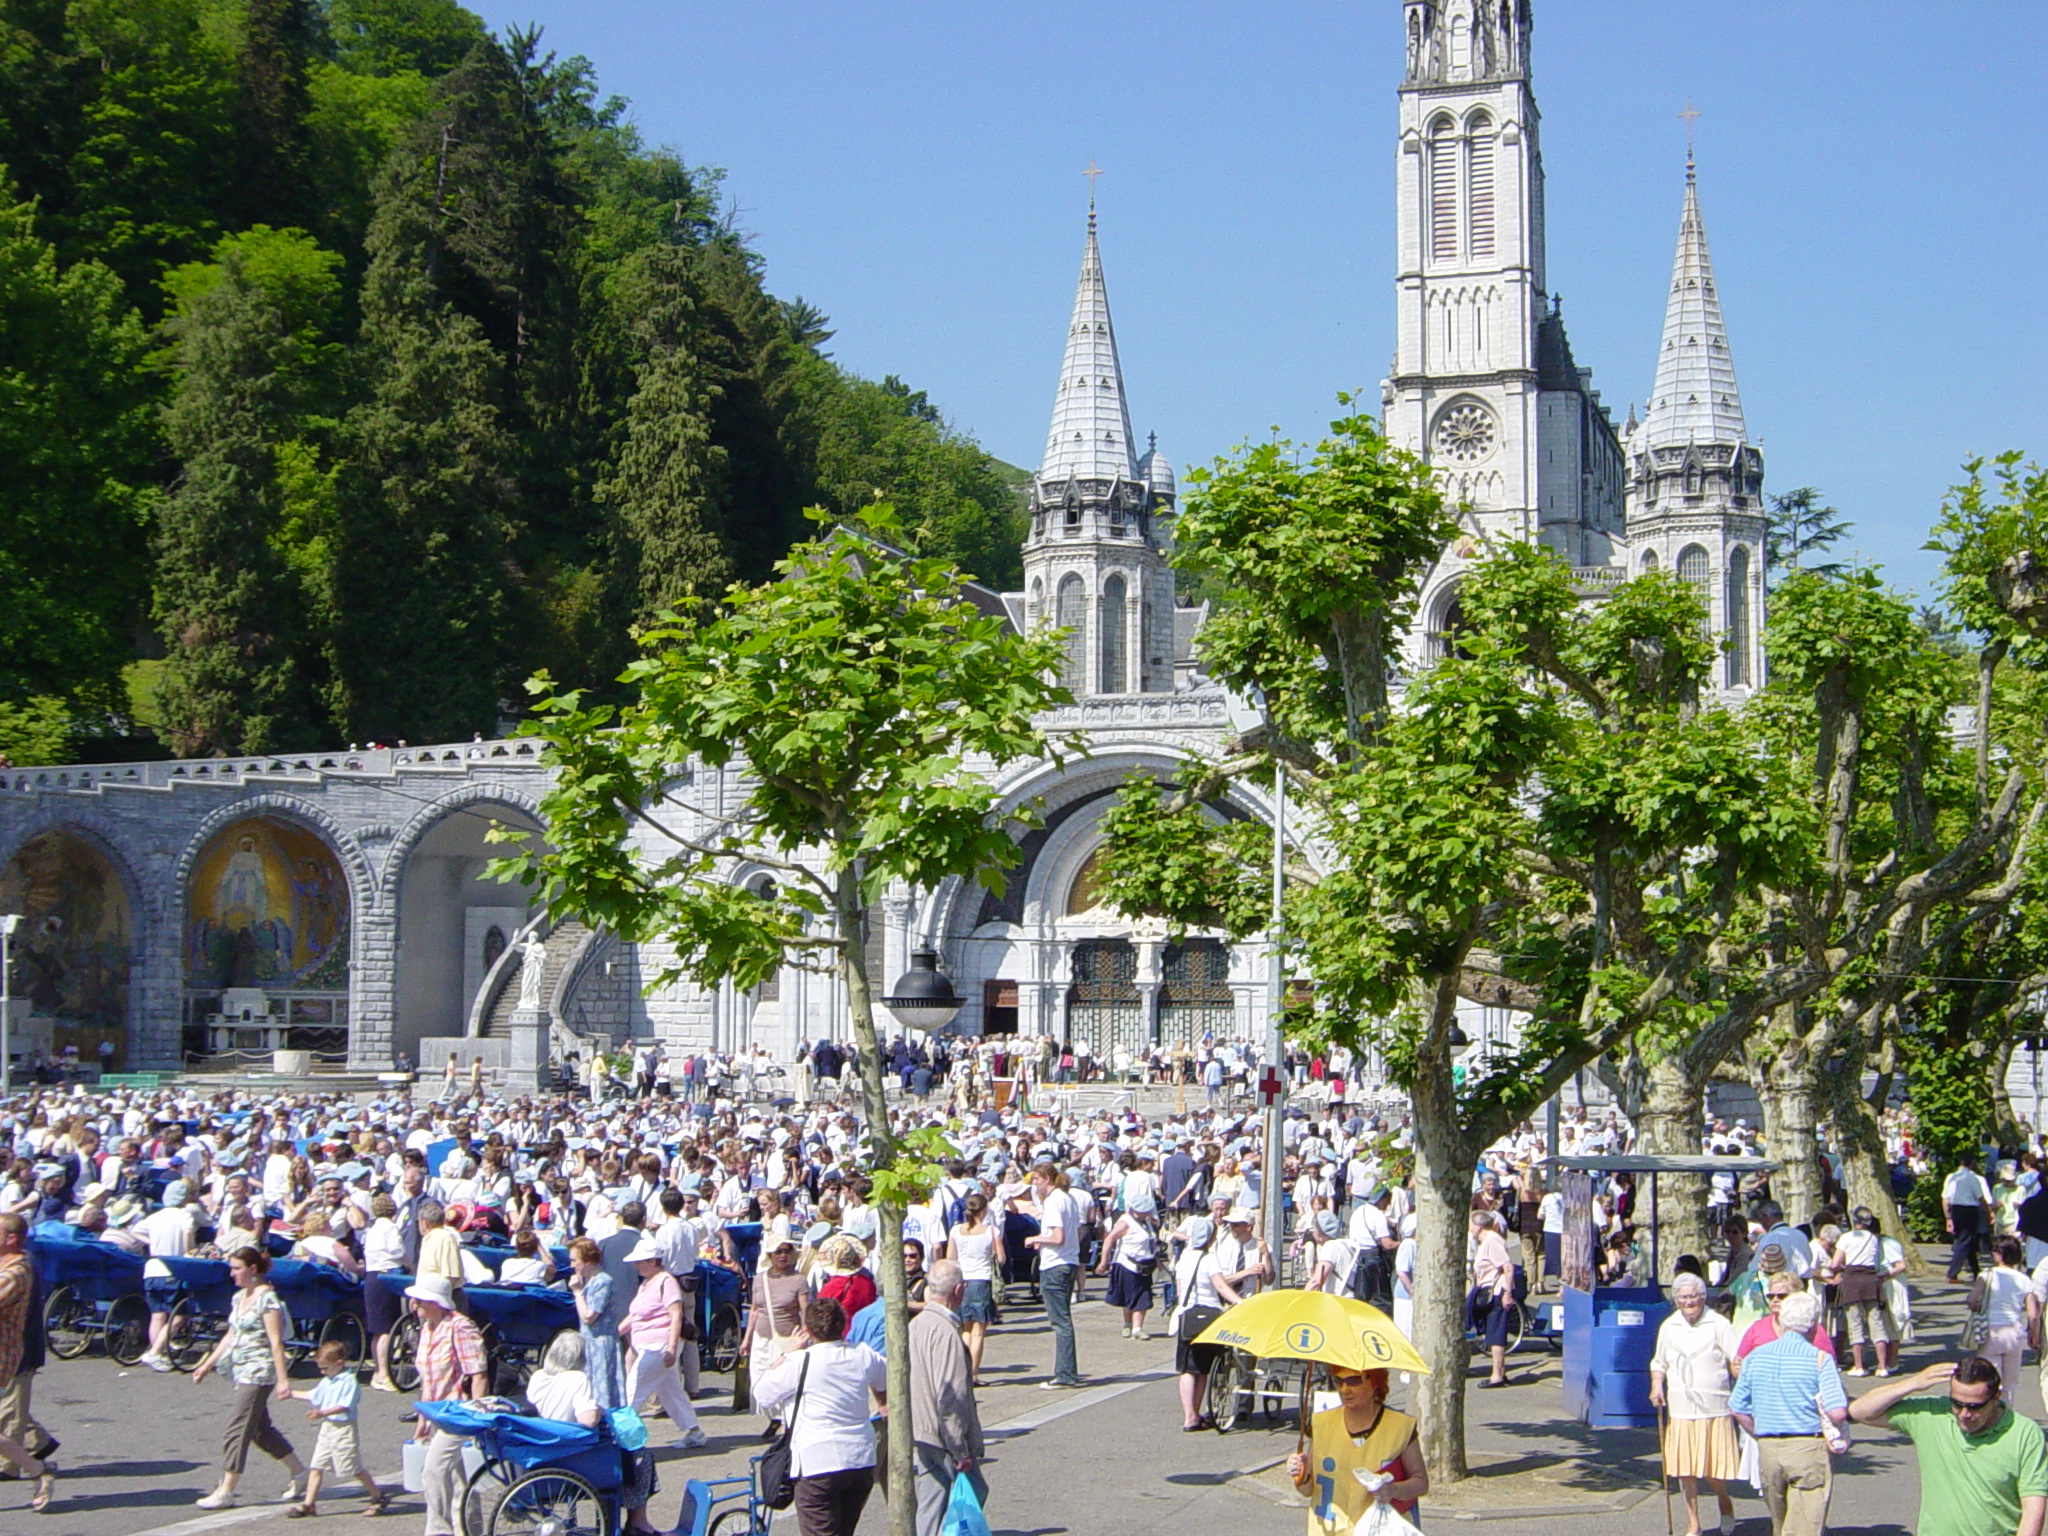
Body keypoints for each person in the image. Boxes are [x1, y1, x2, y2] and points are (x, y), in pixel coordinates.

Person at [1847, 1358, 2048, 1536]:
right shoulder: (1932, 1414)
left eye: (1975, 1406)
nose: (1964, 1414)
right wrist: (1913, 1383)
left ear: (1997, 1396)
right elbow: (1860, 1411)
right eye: (1957, 1403)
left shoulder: (2024, 1433)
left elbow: (2033, 1509)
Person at [189, 1246, 311, 1510]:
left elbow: (276, 1341)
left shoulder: (268, 1299)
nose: (232, 1273)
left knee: (237, 1427)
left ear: (252, 1269)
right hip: (240, 1369)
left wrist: (282, 1380)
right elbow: (231, 1334)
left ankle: (226, 1489)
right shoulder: (239, 1297)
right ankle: (301, 1473)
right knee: (258, 1429)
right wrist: (207, 1363)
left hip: (259, 1371)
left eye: (236, 1268)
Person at [754, 1295, 887, 1536]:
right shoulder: (862, 1354)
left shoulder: (798, 1361)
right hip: (860, 1459)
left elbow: (762, 1394)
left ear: (807, 1329)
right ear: (842, 1325)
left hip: (817, 1461)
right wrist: (881, 1399)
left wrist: (784, 1355)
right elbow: (887, 1377)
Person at [1728, 1292, 1848, 1536]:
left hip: (1768, 1448)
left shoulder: (1755, 1358)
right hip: (1807, 1447)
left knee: (1780, 1524)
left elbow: (1737, 1407)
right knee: (1804, 1527)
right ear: (1814, 1323)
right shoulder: (1819, 1359)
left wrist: (1758, 1432)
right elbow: (1837, 1412)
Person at [529, 1331, 661, 1536]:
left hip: (550, 1448)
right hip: (574, 1456)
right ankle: (638, 1522)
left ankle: (633, 1522)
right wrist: (597, 1410)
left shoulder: (538, 1377)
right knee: (640, 1457)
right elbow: (588, 1419)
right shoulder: (576, 1378)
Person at [1650, 1272, 1743, 1536]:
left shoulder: (1718, 1323)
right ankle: (1693, 1524)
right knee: (1684, 1471)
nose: (1689, 1302)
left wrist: (1745, 1383)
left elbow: (1734, 1359)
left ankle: (1724, 1502)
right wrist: (1657, 1385)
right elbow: (1659, 1362)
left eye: (1693, 1296)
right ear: (1676, 1299)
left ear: (1703, 1297)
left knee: (1713, 1471)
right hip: (1681, 1406)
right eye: (1683, 1297)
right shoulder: (1669, 1326)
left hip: (1714, 1405)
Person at [1286, 1365, 1427, 1532]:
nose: (1345, 1390)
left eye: (1354, 1381)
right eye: (1338, 1381)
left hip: (1378, 1530)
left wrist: (1393, 1490)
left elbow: (1420, 1483)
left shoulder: (1401, 1427)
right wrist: (1300, 1474)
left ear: (1375, 1382)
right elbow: (1308, 1489)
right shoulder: (1321, 1424)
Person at [405, 1274, 489, 1536]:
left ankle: (438, 1531)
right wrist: (422, 1420)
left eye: (419, 1300)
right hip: (435, 1413)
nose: (413, 1304)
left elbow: (478, 1373)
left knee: (434, 1471)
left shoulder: (460, 1326)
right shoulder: (427, 1329)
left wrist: (475, 1417)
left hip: (458, 1412)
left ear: (435, 1301)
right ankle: (470, 1529)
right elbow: (427, 1380)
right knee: (459, 1478)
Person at [908, 1259, 986, 1536]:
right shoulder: (946, 1333)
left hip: (919, 1427)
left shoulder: (915, 1326)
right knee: (965, 1493)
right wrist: (960, 1449)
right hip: (938, 1434)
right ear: (958, 1290)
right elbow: (951, 1397)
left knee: (932, 1501)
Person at [282, 1338, 388, 1518]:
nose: (323, 1372)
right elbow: (313, 1395)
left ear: (339, 1363)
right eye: (321, 1368)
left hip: (343, 1428)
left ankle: (377, 1496)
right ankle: (309, 1504)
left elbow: (345, 1405)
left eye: (325, 1368)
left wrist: (322, 1413)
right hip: (328, 1428)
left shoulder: (349, 1381)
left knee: (352, 1467)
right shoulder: (327, 1380)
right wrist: (291, 1393)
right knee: (317, 1465)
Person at [619, 1238, 706, 1447]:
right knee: (670, 1391)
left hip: (659, 1346)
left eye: (640, 1261)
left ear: (652, 1261)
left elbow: (676, 1315)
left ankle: (623, 1438)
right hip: (647, 1345)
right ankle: (694, 1432)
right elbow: (636, 1315)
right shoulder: (646, 1284)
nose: (636, 1265)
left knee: (634, 1388)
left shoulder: (666, 1281)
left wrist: (671, 1348)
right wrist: (616, 1332)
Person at [0, 1214, 56, 1511]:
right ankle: (38, 1471)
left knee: (8, 1419)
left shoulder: (17, 1272)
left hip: (2, 1354)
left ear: (11, 1238)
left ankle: (37, 1471)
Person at [1168, 1216, 1241, 1432]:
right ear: (1210, 1237)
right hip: (1208, 1317)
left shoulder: (1184, 1259)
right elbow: (1220, 1286)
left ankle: (1189, 1415)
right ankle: (1196, 1415)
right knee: (1203, 1369)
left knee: (1187, 1369)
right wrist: (1239, 1302)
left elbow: (1180, 1291)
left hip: (1186, 1316)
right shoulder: (1209, 1259)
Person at [1024, 1163, 1083, 1389]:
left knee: (1060, 1322)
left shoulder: (1053, 1201)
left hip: (1055, 1264)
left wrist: (1035, 1239)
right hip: (1068, 1261)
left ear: (1047, 1178)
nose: (1034, 1184)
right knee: (1063, 1319)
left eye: (1037, 1179)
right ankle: (1066, 1371)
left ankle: (1065, 1374)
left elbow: (1058, 1237)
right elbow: (1073, 1232)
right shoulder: (1068, 1198)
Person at [742, 1235, 812, 1413]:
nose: (782, 1255)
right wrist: (746, 1339)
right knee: (760, 1380)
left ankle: (784, 1422)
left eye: (786, 1251)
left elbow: (805, 1311)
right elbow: (755, 1310)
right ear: (770, 1255)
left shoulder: (798, 1280)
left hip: (787, 1339)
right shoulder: (759, 1279)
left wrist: (806, 1337)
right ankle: (772, 1419)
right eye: (778, 1251)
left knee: (783, 1382)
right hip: (761, 1339)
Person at [945, 1192, 1005, 1384]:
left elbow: (950, 1258)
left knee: (965, 1330)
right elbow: (1001, 1258)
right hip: (982, 1281)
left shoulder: (955, 1231)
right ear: (984, 1210)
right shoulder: (991, 1231)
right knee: (979, 1332)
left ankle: (962, 1370)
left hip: (962, 1281)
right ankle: (973, 1374)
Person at [1971, 1236, 2033, 1407]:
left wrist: (1978, 1306)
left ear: (1999, 1254)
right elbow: (2032, 1313)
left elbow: (1972, 1300)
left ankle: (1990, 1413)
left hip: (1991, 1331)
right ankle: (2008, 1413)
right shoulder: (2024, 1280)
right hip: (2014, 1332)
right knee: (2010, 1382)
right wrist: (2033, 1334)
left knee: (1988, 1378)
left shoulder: (1986, 1275)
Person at [567, 1236, 627, 1410]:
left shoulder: (603, 1281)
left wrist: (577, 1292)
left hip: (601, 1344)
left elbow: (588, 1316)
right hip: (589, 1343)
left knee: (603, 1394)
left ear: (587, 1261)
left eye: (574, 1261)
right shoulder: (590, 1282)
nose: (572, 1266)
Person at [1738, 1273, 1840, 1363]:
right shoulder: (1757, 1327)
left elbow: (1828, 1362)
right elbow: (1738, 1362)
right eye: (1770, 1296)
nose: (1775, 1300)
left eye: (1781, 1296)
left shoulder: (1811, 1327)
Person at [1095, 1201, 1159, 1340]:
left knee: (1142, 1297)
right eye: (1144, 1212)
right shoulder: (1125, 1222)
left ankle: (1137, 1329)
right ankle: (1127, 1324)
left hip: (1144, 1266)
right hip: (1127, 1265)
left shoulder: (1146, 1222)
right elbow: (1109, 1238)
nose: (1147, 1214)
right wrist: (1103, 1261)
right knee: (1130, 1298)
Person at [1468, 1207, 1516, 1388]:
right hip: (1487, 1291)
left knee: (1496, 1332)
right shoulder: (1485, 1242)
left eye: (1471, 1226)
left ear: (1479, 1226)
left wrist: (1507, 1293)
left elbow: (1507, 1267)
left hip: (1497, 1292)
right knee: (1492, 1331)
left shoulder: (1492, 1241)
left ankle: (1496, 1375)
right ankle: (1500, 1372)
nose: (1470, 1229)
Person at [1946, 1159, 1993, 1281]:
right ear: (1972, 1164)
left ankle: (1975, 1270)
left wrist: (1948, 1217)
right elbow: (1980, 1197)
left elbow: (1945, 1198)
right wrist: (1988, 1212)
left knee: (1969, 1240)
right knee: (1965, 1240)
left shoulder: (1951, 1177)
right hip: (1969, 1210)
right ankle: (1952, 1273)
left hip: (1955, 1209)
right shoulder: (1972, 1178)